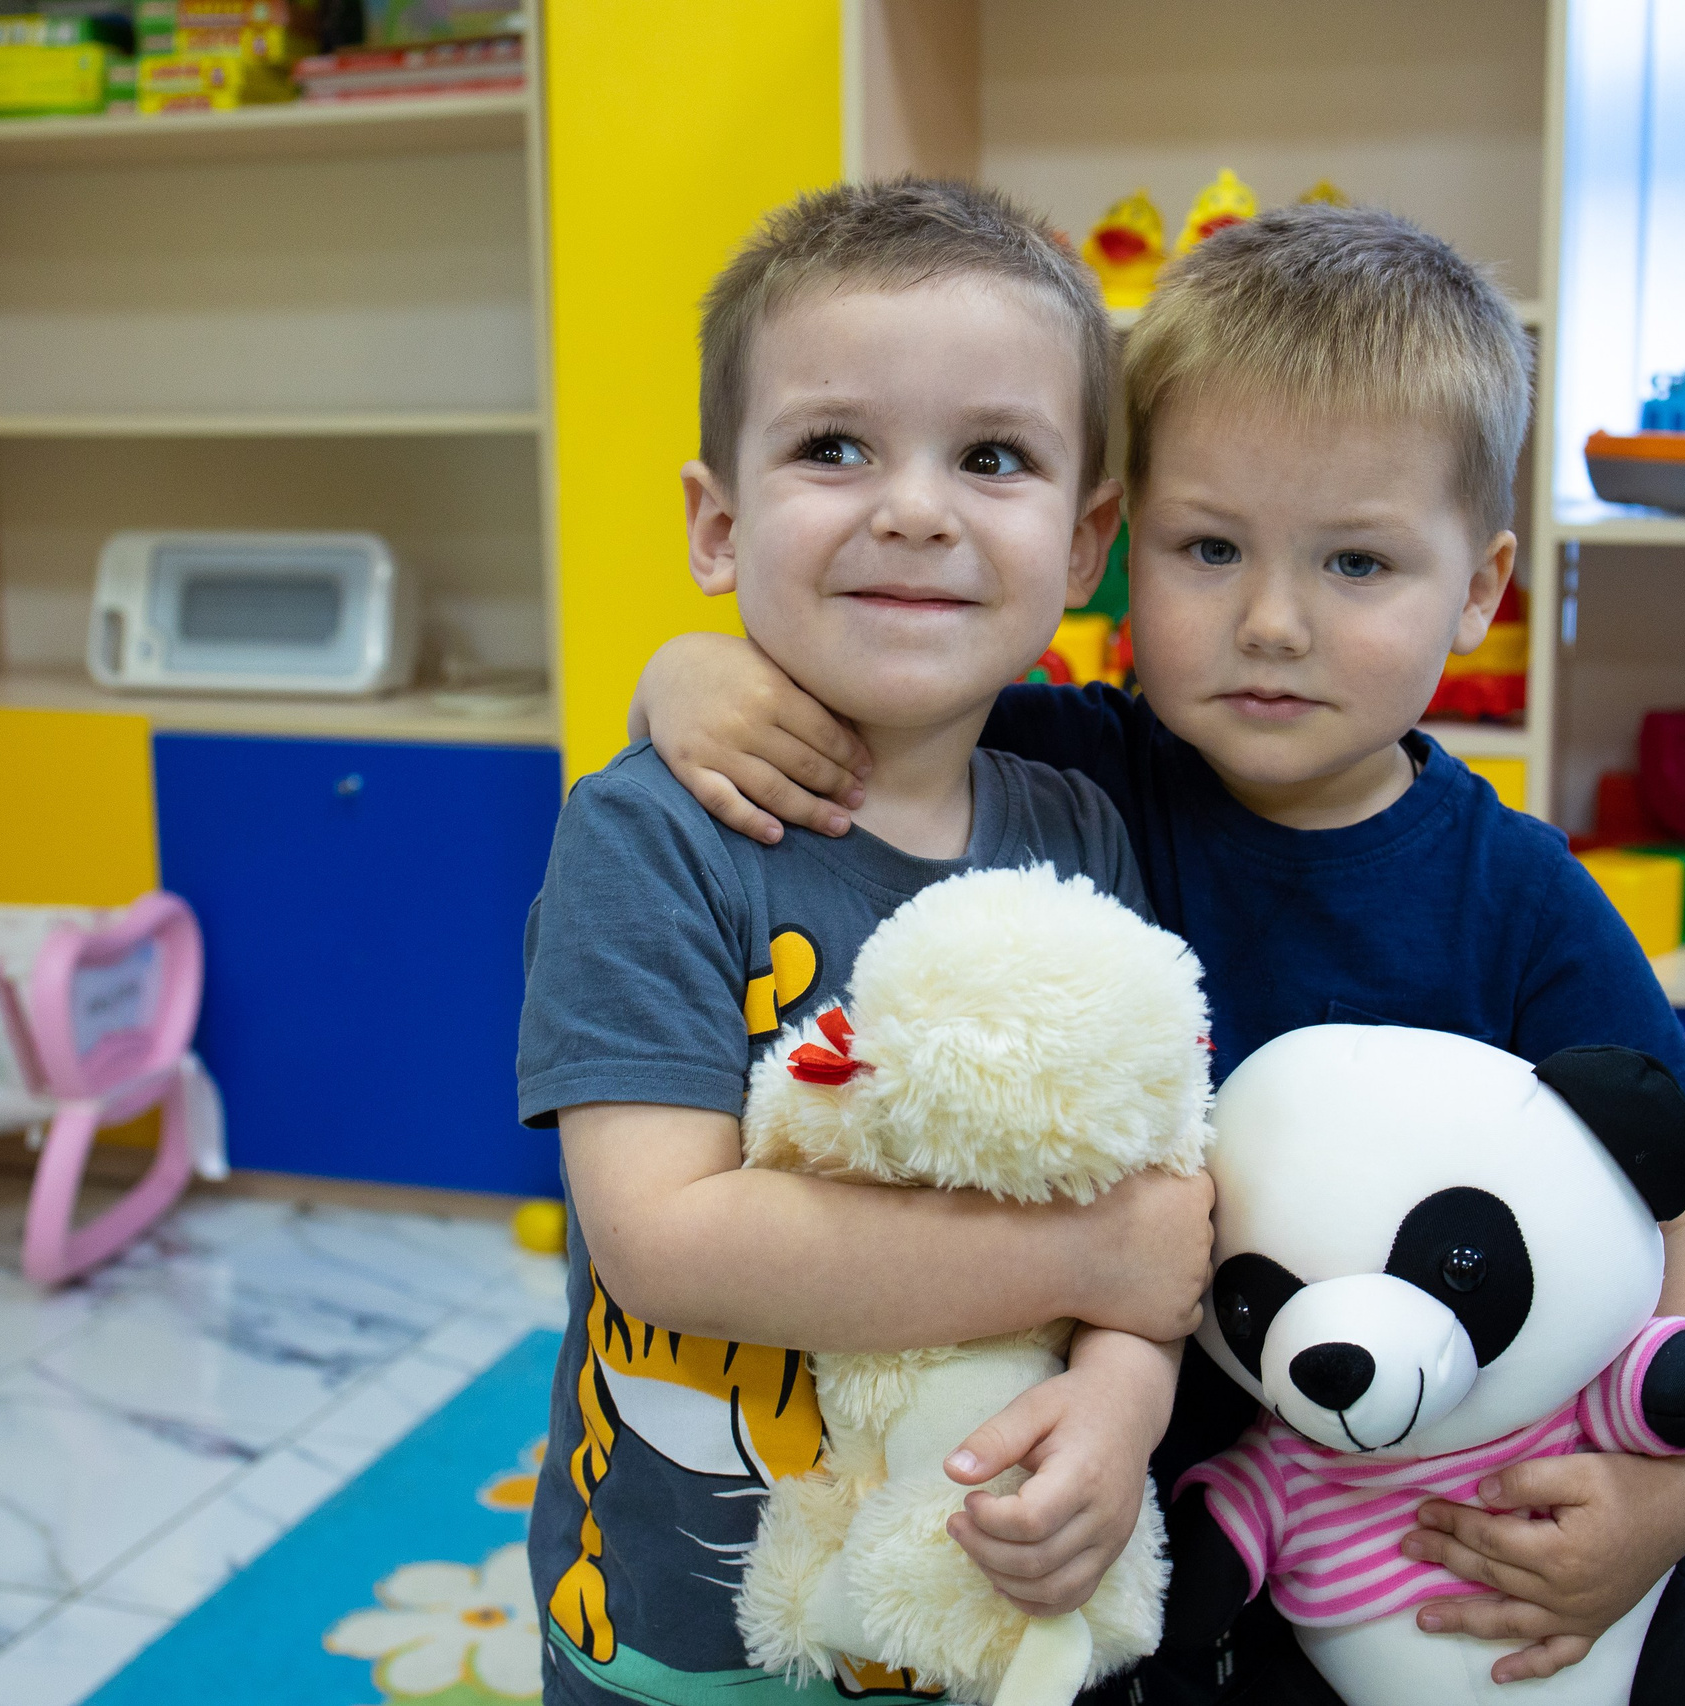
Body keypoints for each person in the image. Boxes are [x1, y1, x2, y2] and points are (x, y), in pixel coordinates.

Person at [629, 204, 1685, 1702]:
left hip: (1418, 1527)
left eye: (1359, 563)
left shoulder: (1513, 892)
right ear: (1119, 552)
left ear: (1483, 587)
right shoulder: (1060, 769)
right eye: (1210, 547)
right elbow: (847, 693)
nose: (1273, 622)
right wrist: (690, 669)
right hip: (1136, 1522)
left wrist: (1683, 1491)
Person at [515, 177, 1215, 1705]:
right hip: (690, 1644)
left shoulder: (1081, 830)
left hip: (989, 1609)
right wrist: (1095, 1255)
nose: (914, 506)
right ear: (718, 520)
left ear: (1087, 536)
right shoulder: (650, 836)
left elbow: (1156, 1211)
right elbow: (668, 1239)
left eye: (993, 456)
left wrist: (1121, 1398)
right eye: (835, 447)